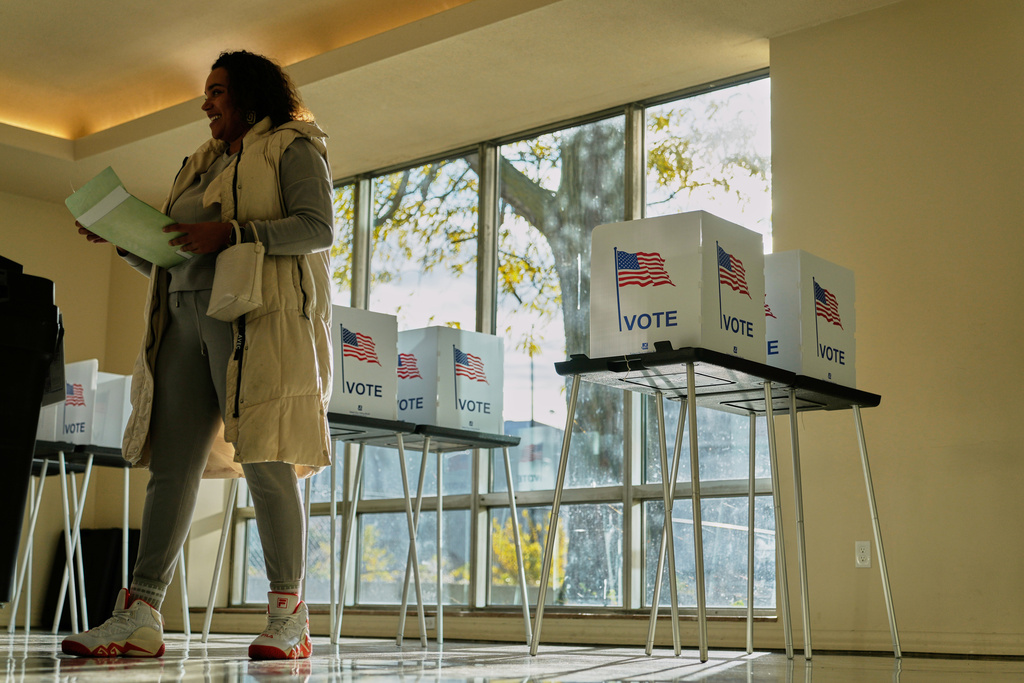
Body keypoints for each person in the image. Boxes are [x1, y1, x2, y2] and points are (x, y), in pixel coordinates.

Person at [62, 51, 334, 660]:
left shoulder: (294, 145)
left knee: (267, 458)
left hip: (256, 322)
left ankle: (290, 618)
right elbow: (173, 254)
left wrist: (235, 231)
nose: (206, 103)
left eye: (217, 91)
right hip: (182, 320)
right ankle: (140, 615)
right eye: (205, 93)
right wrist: (122, 239)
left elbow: (318, 227)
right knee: (172, 468)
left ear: (250, 92)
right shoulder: (199, 163)